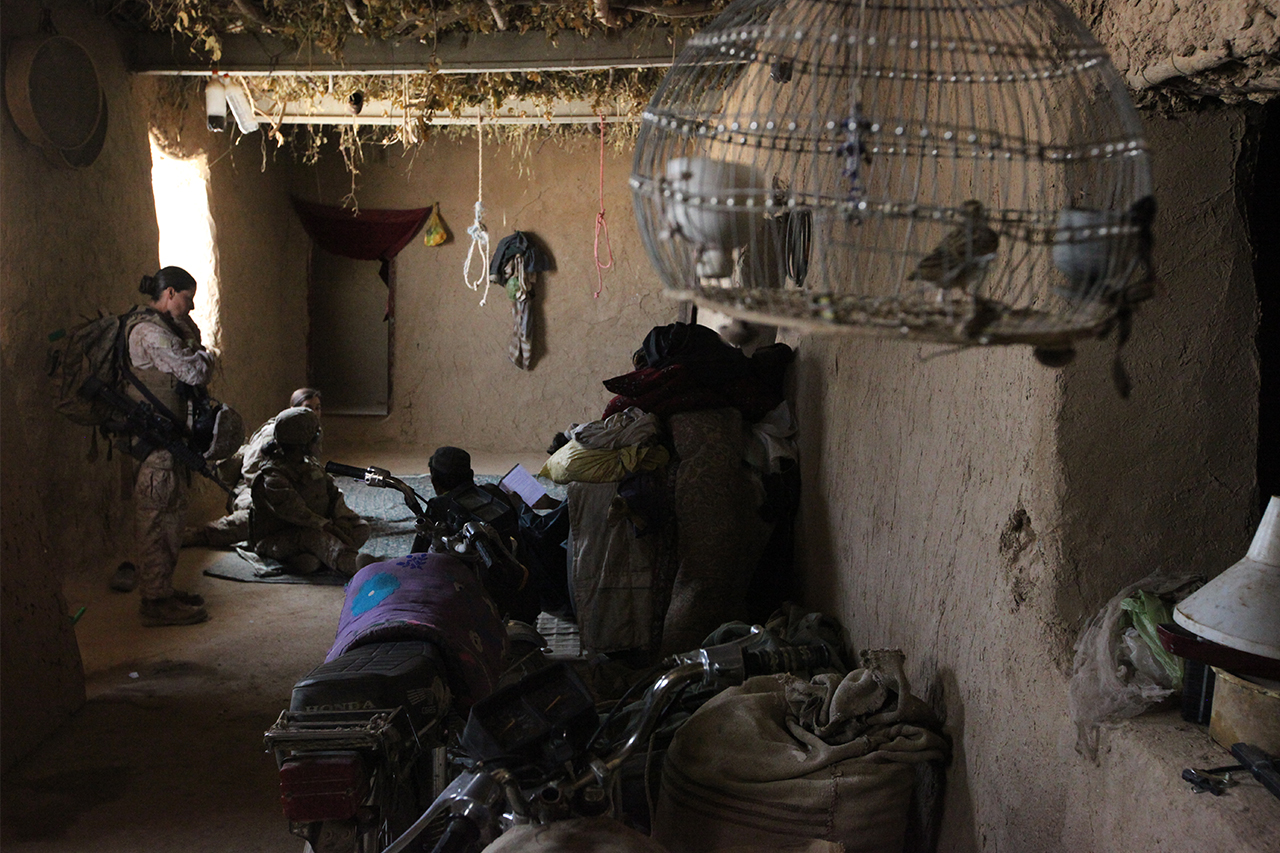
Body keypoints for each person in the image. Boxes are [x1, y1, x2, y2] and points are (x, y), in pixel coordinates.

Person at [125, 266, 216, 627]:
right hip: (153, 443)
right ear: (170, 294)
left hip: (170, 440)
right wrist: (207, 356)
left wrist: (195, 346)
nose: (191, 309)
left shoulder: (168, 328)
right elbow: (194, 371)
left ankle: (163, 589)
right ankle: (154, 601)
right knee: (156, 519)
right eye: (188, 300)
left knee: (173, 517)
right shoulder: (148, 332)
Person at [184, 388, 322, 548]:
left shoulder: (313, 432)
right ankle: (200, 535)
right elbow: (250, 469)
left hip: (285, 487)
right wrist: (274, 493)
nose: (314, 413)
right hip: (252, 488)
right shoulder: (275, 433)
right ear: (293, 409)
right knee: (261, 518)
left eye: (317, 408)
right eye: (308, 407)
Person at [248, 406, 371, 577]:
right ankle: (353, 566)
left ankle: (314, 559)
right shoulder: (273, 476)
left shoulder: (310, 465)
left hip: (314, 530)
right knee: (314, 538)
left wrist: (341, 519)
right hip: (278, 539)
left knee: (361, 528)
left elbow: (333, 494)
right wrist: (332, 529)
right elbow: (296, 512)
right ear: (303, 443)